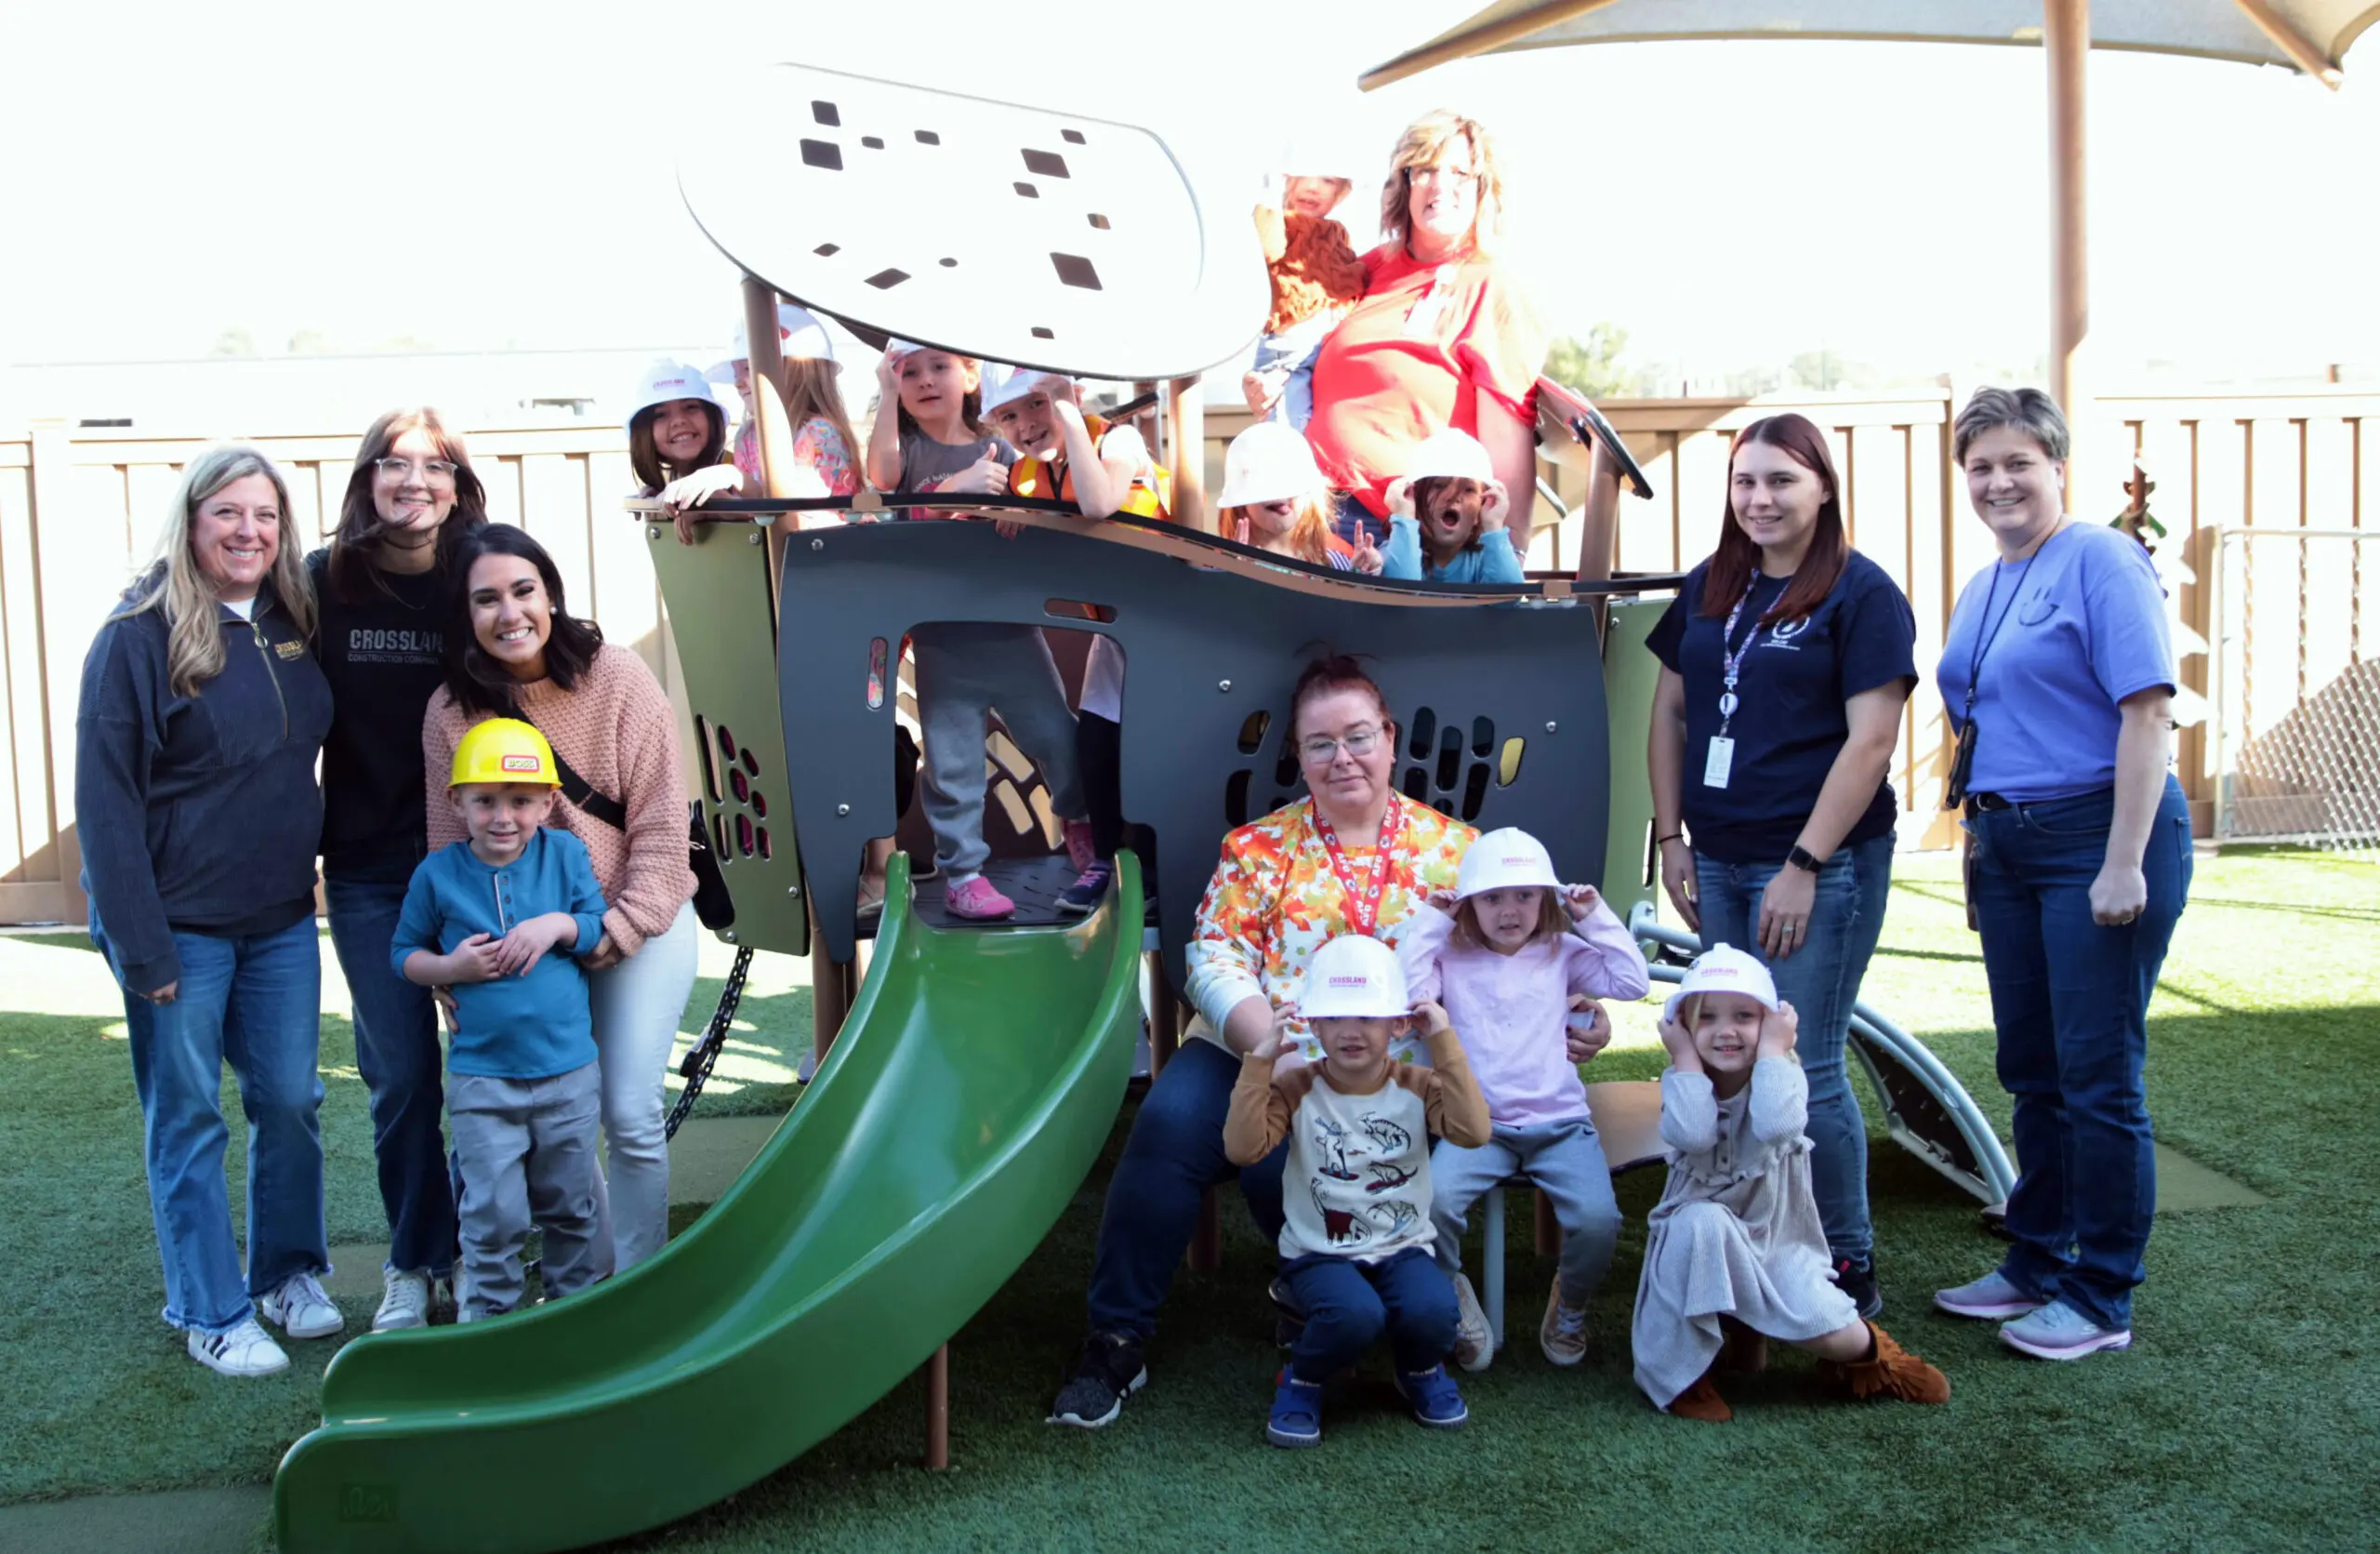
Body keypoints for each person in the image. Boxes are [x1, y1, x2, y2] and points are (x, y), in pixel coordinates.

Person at [1047, 654, 1614, 1428]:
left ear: (1389, 738)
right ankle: (1116, 1338)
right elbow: (1211, 954)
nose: (1341, 757)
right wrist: (1268, 1048)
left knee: (1312, 1149)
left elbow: (1523, 947)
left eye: (1357, 736)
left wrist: (1576, 1008)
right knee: (1172, 1122)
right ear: (1297, 754)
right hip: (1264, 1045)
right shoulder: (1257, 848)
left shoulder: (1456, 849)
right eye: (1320, 743)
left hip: (1397, 1067)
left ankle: (1342, 1302)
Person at [1931, 387, 2190, 1362]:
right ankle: (2035, 1259)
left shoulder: (2100, 559)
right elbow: (1979, 725)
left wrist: (2122, 859)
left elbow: (2146, 714)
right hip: (2006, 844)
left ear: (2056, 468)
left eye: (2016, 463)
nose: (1997, 482)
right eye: (1980, 467)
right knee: (2029, 1069)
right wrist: (1976, 848)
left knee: (2096, 1076)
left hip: (2095, 836)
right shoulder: (1988, 579)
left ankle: (2101, 1293)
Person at [1645, 412, 1916, 1316]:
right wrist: (1671, 837)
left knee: (1806, 1061)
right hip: (1714, 856)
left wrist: (1805, 861)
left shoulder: (1860, 594)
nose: (1759, 499)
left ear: (1824, 489)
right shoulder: (1709, 585)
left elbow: (1872, 739)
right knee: (1726, 1058)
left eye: (1781, 482)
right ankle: (1749, 1230)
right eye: (1745, 482)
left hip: (1815, 867)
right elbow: (1670, 713)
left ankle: (1844, 1259)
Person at [75, 445, 337, 1376]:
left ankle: (286, 1276)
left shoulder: (291, 618)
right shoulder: (138, 636)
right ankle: (208, 1309)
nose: (248, 532)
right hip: (177, 927)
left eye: (264, 516)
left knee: (291, 1102)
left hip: (276, 919)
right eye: (227, 513)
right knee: (189, 1117)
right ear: (191, 521)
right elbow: (105, 808)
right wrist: (139, 948)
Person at [423, 525, 697, 1274]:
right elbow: (450, 852)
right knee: (561, 1124)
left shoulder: (618, 677)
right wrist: (458, 964)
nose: (508, 612)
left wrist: (620, 925)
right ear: (466, 614)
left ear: (550, 595)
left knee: (630, 1111)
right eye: (486, 599)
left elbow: (663, 830)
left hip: (637, 918)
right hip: (533, 949)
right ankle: (592, 1277)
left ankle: (638, 1282)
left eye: (522, 590)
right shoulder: (452, 710)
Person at [309, 406, 489, 1333]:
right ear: (367, 478)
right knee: (405, 1078)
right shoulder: (322, 582)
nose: (411, 479)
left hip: (478, 865)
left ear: (457, 485)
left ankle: (483, 1254)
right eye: (393, 463)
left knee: (489, 1067)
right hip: (370, 873)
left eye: (432, 465)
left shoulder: (480, 574)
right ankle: (417, 1261)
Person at [1633, 947, 1950, 1422]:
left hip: (1776, 1237)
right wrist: (1685, 1061)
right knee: (1701, 1221)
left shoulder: (1785, 1073)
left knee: (1827, 1325)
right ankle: (1684, 1375)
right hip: (1695, 1238)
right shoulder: (1683, 1078)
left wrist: (1774, 1053)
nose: (1726, 1031)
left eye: (1744, 1016)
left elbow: (1775, 1127)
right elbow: (1694, 1133)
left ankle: (1875, 1359)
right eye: (1708, 1018)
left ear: (1771, 1024)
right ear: (1683, 1027)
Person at [1395, 827, 1650, 1371]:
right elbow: (1408, 993)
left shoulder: (1561, 952)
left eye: (1525, 895)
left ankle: (1571, 1303)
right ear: (1468, 903)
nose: (1509, 910)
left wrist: (1594, 914)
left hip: (1560, 1125)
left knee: (1598, 1221)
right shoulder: (1451, 953)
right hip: (1476, 1125)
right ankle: (1452, 1290)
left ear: (1546, 899)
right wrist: (1432, 922)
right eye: (1491, 897)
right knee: (1433, 1205)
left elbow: (1632, 981)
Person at [1223, 935, 1490, 1447]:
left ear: (1398, 1024)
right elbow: (1242, 1149)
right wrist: (1259, 1063)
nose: (1352, 1032)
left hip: (1403, 1246)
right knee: (1354, 1316)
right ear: (1313, 1025)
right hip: (1318, 1251)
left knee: (1435, 1311)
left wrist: (1445, 1043)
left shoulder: (1417, 1083)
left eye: (1368, 1018)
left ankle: (1416, 1372)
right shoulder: (1297, 1086)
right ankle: (1302, 1379)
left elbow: (1474, 1132)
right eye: (1336, 1018)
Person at [393, 719, 611, 1321]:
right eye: (484, 800)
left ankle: (572, 1318)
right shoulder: (436, 874)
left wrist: (556, 925)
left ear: (547, 802)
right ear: (456, 801)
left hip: (567, 1072)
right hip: (483, 1079)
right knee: (494, 1214)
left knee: (570, 1206)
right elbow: (402, 955)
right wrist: (450, 965)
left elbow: (595, 925)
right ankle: (488, 1325)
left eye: (520, 801)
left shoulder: (565, 854)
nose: (503, 817)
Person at [865, 347, 1092, 921]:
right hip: (944, 637)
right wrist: (954, 489)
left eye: (937, 367)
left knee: (1056, 737)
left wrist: (1022, 510)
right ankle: (963, 872)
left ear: (970, 375)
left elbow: (1041, 499)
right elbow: (884, 484)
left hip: (1009, 628)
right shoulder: (909, 453)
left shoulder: (1001, 446)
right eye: (908, 373)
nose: (924, 381)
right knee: (953, 760)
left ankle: (1081, 826)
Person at [1305, 110, 1547, 551]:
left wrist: (1506, 560)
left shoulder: (1495, 285)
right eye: (1426, 169)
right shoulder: (1371, 267)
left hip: (1398, 531)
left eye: (1460, 172)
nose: (1440, 185)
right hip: (1311, 510)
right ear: (1404, 183)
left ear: (1483, 189)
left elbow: (1508, 439)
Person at [981, 364, 1164, 914]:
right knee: (1097, 745)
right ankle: (1105, 860)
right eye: (1009, 415)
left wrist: (1068, 414)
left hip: (1170, 624)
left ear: (1070, 397)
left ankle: (1153, 870)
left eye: (1036, 405)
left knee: (1157, 748)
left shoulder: (1119, 439)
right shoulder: (1027, 477)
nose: (1026, 424)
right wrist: (998, 502)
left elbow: (1099, 502)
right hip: (1113, 630)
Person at [671, 302, 860, 540]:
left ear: (798, 369)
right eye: (736, 371)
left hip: (828, 561)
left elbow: (798, 518)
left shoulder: (819, 433)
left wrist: (734, 480)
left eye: (748, 368)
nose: (738, 382)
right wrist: (709, 508)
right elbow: (753, 517)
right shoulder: (748, 436)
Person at [1240, 166, 1366, 432]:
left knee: (1326, 420)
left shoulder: (1337, 233)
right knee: (1288, 421)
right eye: (1302, 176)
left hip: (1324, 343)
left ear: (1339, 193)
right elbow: (1268, 248)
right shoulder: (1277, 223)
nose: (1313, 187)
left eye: (1328, 180)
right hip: (1289, 346)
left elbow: (1346, 277)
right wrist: (1271, 191)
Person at [1214, 420, 1379, 572]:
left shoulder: (1333, 561)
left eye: (1288, 481)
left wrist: (1360, 574)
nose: (1279, 493)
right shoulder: (1224, 564)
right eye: (1265, 483)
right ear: (1241, 504)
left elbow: (1344, 602)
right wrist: (1232, 579)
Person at [1377, 428, 1526, 584]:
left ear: (1480, 511)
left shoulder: (1485, 559)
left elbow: (1507, 597)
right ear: (1415, 501)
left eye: (1468, 490)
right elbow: (1401, 591)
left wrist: (1494, 526)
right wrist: (1404, 516)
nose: (1452, 497)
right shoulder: (1396, 550)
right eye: (1439, 485)